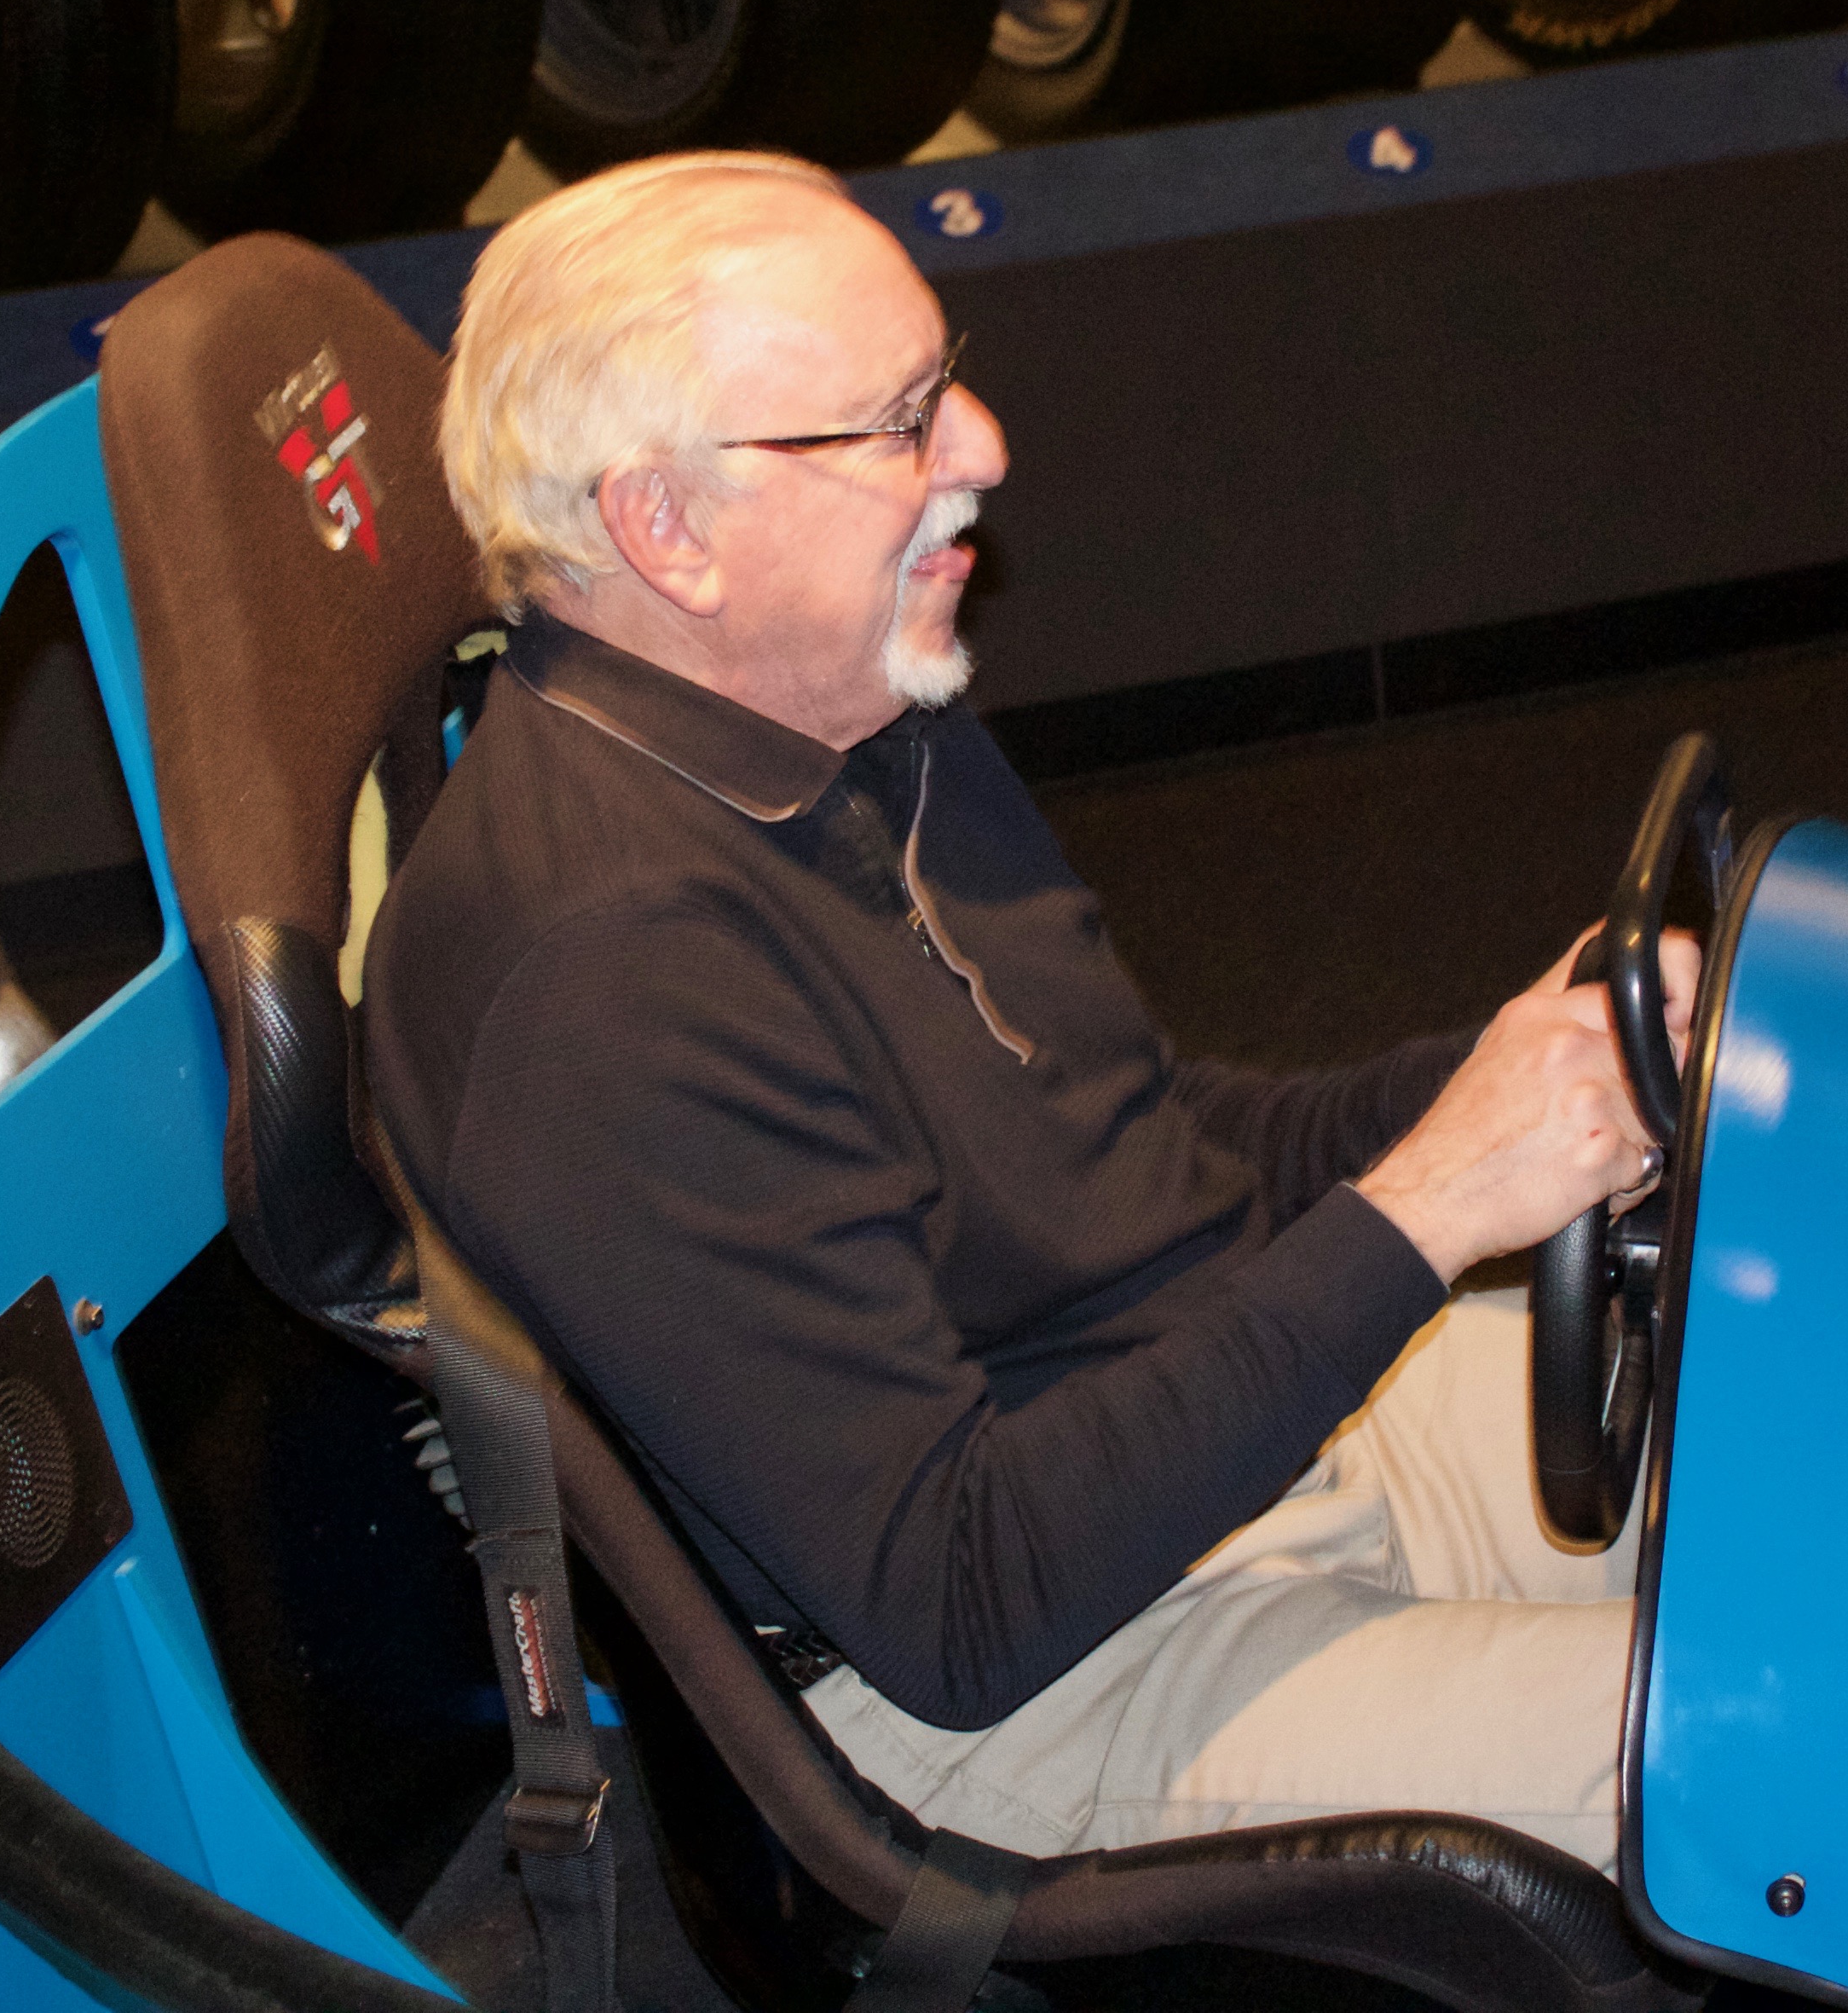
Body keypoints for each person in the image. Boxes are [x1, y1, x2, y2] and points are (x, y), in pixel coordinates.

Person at [355, 148, 1684, 1865]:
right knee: (1839, 1757)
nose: (980, 448)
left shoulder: (855, 707)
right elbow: (960, 1602)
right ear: (667, 530)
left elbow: (1149, 1146)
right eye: (897, 423)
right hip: (1025, 1679)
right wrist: (1436, 1205)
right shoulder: (608, 981)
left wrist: (1531, 1080)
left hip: (1226, 1438)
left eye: (949, 383)